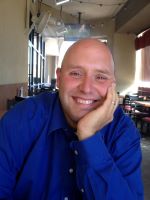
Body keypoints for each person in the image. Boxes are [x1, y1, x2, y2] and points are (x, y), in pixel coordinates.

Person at [0, 38, 144, 200]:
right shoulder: (20, 120)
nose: (86, 88)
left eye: (101, 77)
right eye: (76, 73)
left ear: (112, 84)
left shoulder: (123, 131)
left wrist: (89, 137)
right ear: (59, 79)